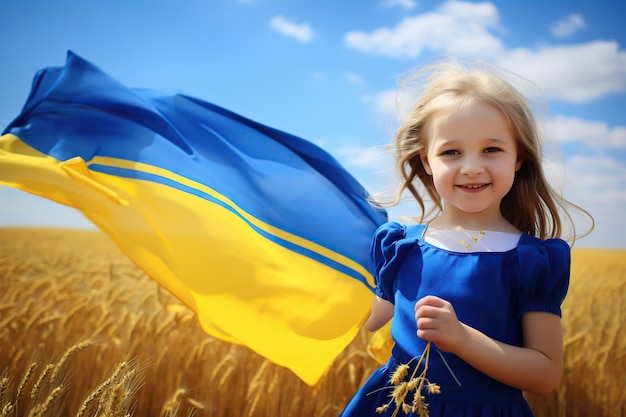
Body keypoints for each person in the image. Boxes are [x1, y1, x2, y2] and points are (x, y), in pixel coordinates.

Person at [339, 59, 593, 417]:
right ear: (426, 160)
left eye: (491, 149)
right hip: (398, 405)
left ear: (518, 157)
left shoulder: (531, 260)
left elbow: (544, 374)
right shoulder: (399, 247)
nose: (472, 167)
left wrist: (461, 339)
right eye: (451, 152)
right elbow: (367, 319)